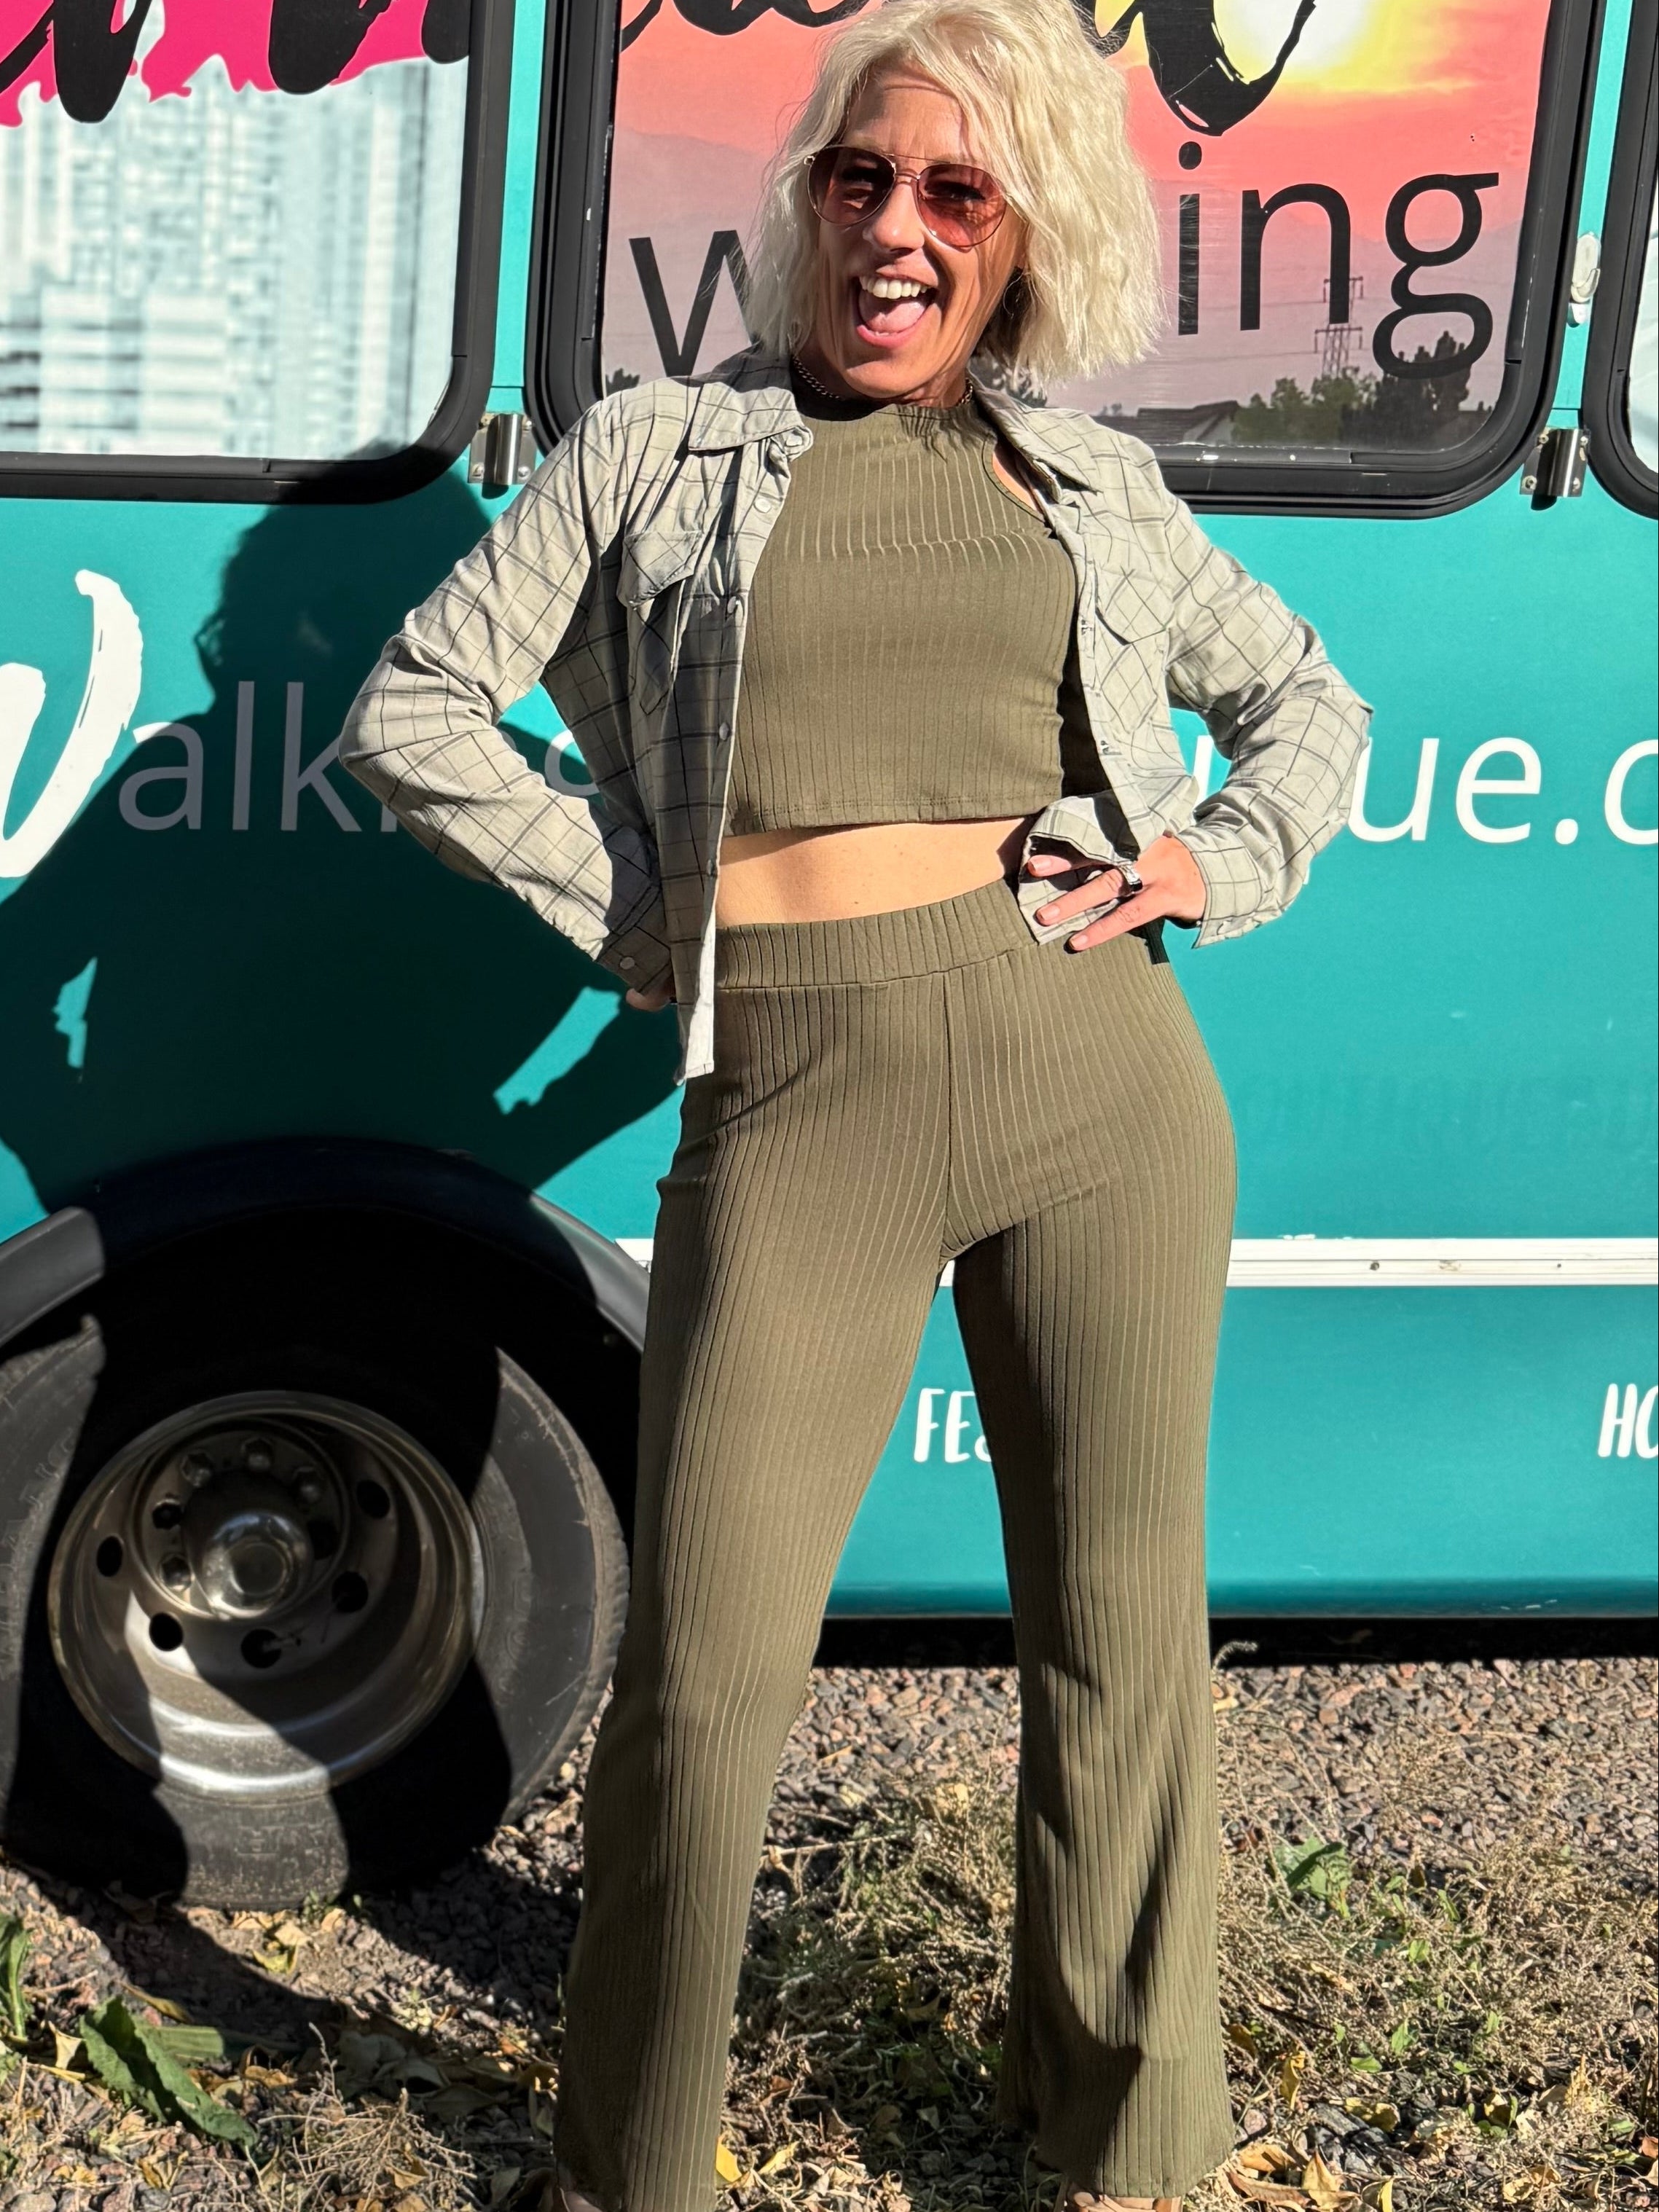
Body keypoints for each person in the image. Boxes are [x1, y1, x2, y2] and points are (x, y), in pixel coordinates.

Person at [339, 0, 1368, 2200]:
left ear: (1023, 237)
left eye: (957, 192)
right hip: (798, 1094)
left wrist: (1210, 859)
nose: (897, 227)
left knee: (1119, 1644)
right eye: (861, 176)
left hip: (1100, 1077)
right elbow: (415, 705)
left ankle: (1123, 2147)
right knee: (708, 1681)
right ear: (810, 200)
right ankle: (632, 2164)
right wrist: (645, 914)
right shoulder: (656, 454)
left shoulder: (1086, 482)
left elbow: (1309, 702)